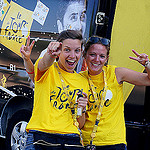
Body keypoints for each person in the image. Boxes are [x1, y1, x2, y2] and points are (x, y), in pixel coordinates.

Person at [20, 30, 89, 150]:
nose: (73, 56)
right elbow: (44, 63)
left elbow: (80, 123)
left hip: (71, 138)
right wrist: (51, 54)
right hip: (41, 136)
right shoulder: (48, 70)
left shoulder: (82, 81)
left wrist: (82, 109)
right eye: (67, 50)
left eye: (77, 50)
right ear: (59, 50)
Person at [80, 36, 150, 150]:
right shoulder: (78, 79)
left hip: (114, 143)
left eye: (102, 56)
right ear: (85, 55)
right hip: (86, 143)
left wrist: (146, 63)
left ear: (107, 58)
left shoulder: (116, 73)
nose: (97, 60)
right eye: (92, 54)